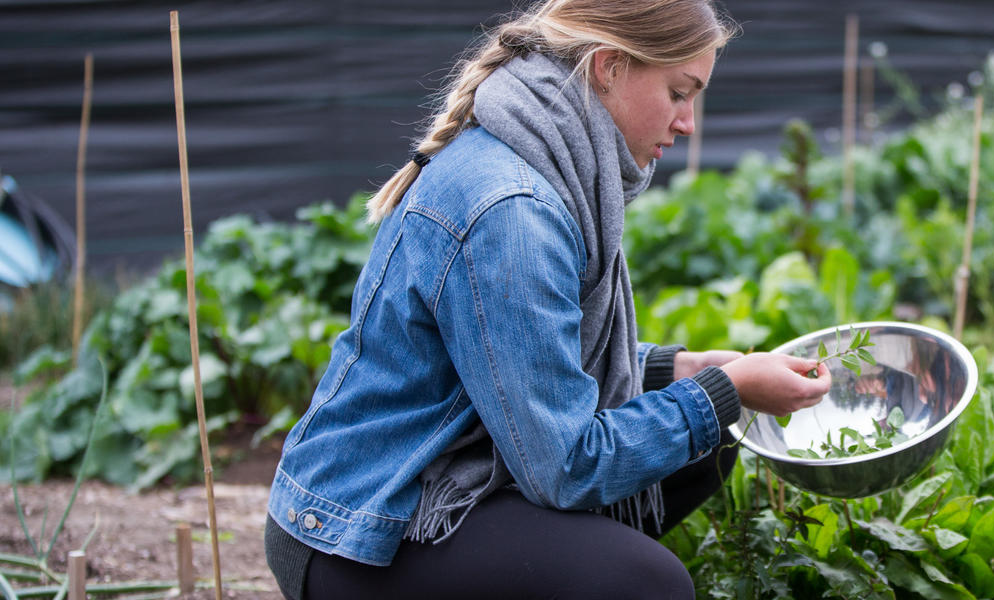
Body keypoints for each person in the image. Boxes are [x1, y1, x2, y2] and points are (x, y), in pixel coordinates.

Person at [262, 1, 831, 597]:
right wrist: (726, 393)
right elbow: (565, 466)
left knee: (699, 452)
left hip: (441, 473)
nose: (688, 122)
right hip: (359, 531)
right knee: (647, 585)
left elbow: (520, 365)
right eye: (678, 92)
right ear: (609, 67)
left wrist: (676, 371)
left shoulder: (543, 159)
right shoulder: (513, 210)